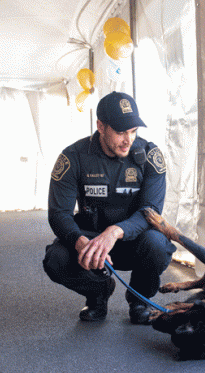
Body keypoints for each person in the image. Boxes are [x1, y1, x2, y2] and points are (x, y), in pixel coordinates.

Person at [42, 91, 176, 324]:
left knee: (158, 244)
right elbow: (59, 214)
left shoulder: (150, 155)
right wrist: (78, 240)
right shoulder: (73, 157)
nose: (128, 140)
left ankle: (139, 299)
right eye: (121, 132)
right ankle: (98, 292)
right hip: (91, 241)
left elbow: (151, 212)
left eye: (133, 131)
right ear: (101, 126)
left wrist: (113, 232)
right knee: (56, 259)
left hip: (133, 241)